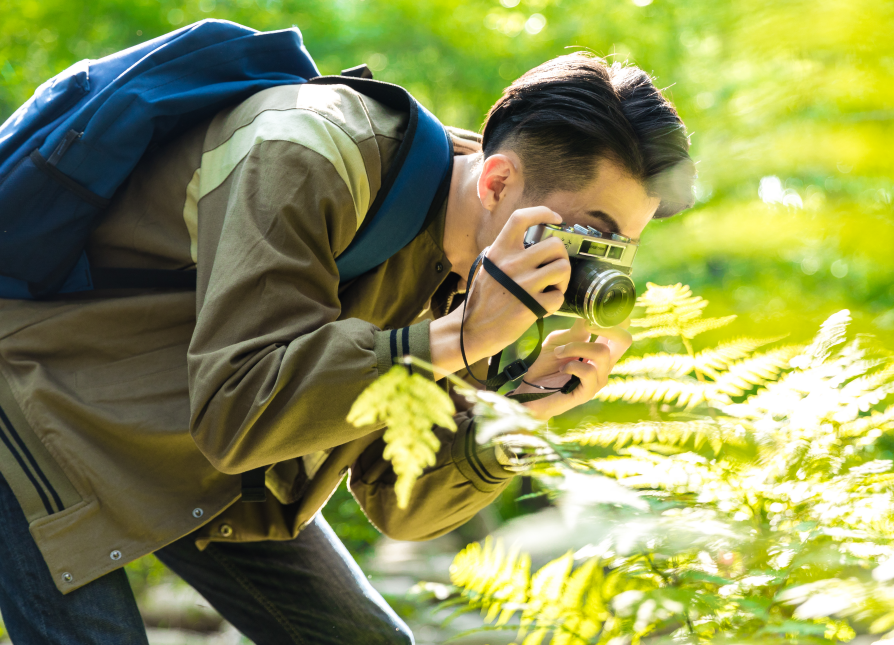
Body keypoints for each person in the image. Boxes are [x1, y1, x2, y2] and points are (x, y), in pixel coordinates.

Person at [0, 51, 694, 644]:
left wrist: (520, 409)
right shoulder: (304, 150)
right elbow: (240, 409)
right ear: (498, 182)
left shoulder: (476, 270)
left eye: (613, 248)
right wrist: (461, 337)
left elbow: (401, 502)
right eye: (584, 234)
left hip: (188, 445)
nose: (586, 268)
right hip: (39, 401)